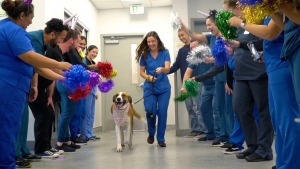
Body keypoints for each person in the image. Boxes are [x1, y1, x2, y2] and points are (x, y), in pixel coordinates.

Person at [227, 1, 300, 167]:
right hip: (272, 65)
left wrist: (242, 23)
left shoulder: (280, 8)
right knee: (278, 121)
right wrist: (262, 54)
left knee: (287, 119)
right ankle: (283, 162)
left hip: (281, 66)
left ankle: (292, 164)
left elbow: (270, 33)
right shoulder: (269, 12)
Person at [0, 1, 71, 168]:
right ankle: (6, 164)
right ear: (22, 15)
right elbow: (31, 58)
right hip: (10, 85)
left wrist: (62, 79)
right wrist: (59, 65)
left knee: (9, 127)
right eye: (30, 18)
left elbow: (37, 67)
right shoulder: (14, 30)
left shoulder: (6, 27)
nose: (31, 22)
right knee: (8, 127)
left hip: (13, 84)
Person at [222, 0, 274, 162]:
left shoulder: (259, 21)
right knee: (240, 109)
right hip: (241, 74)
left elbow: (264, 42)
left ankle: (264, 150)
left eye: (229, 13)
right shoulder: (238, 27)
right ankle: (252, 145)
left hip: (259, 73)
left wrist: (241, 44)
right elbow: (246, 46)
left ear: (238, 8)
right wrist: (233, 47)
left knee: (263, 112)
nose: (229, 17)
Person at [181, 10, 225, 145]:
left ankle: (220, 135)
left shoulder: (217, 40)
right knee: (204, 108)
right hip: (207, 86)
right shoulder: (209, 41)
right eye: (206, 25)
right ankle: (210, 133)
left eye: (210, 24)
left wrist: (209, 60)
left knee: (217, 109)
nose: (208, 28)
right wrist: (185, 85)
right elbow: (188, 72)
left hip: (219, 82)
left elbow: (218, 63)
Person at [28, 18, 69, 158]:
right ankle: (40, 149)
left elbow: (42, 69)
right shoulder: (35, 39)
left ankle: (45, 147)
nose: (60, 42)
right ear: (53, 34)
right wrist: (60, 70)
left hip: (36, 85)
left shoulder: (44, 44)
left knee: (48, 113)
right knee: (43, 114)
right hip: (26, 83)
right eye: (60, 38)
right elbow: (39, 68)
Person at [168, 29, 206, 139]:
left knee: (198, 107)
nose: (181, 37)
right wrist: (164, 71)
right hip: (186, 84)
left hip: (197, 82)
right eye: (179, 36)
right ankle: (195, 129)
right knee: (190, 108)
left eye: (182, 35)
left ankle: (204, 131)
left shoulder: (197, 47)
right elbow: (176, 66)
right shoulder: (181, 51)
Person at [135, 31, 171, 147]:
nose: (151, 43)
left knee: (162, 113)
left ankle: (161, 139)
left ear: (157, 41)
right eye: (148, 41)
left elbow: (168, 69)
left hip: (164, 89)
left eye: (153, 41)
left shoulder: (165, 52)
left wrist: (162, 69)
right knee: (151, 112)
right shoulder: (145, 55)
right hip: (150, 88)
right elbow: (141, 72)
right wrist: (148, 77)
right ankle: (151, 133)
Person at [81, 45, 101, 141]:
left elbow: (94, 78)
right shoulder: (84, 61)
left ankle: (90, 133)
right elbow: (84, 70)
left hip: (92, 91)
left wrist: (96, 92)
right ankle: (85, 135)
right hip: (86, 91)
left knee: (92, 113)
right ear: (88, 51)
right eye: (93, 52)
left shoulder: (93, 63)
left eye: (96, 53)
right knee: (87, 113)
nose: (94, 54)